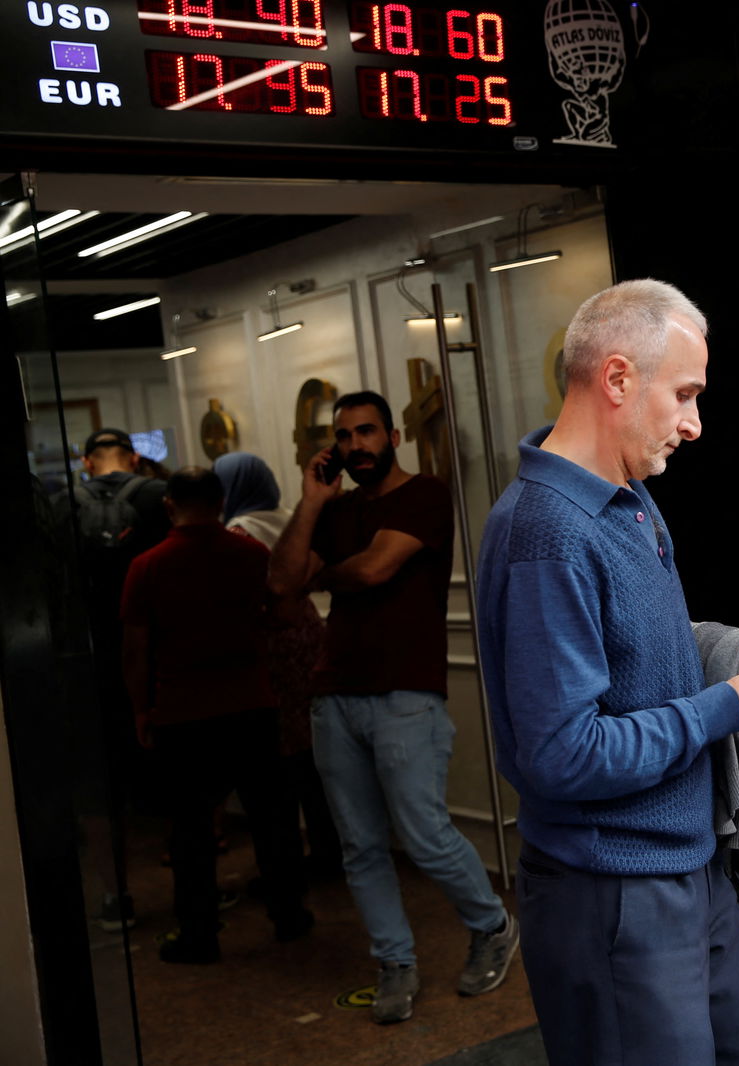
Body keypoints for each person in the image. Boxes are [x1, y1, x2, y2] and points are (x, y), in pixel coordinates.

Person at [476, 279, 739, 1065]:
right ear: (619, 379)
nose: (695, 424)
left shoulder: (627, 496)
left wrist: (733, 653)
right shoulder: (545, 534)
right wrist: (729, 707)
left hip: (687, 874)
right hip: (610, 898)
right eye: (686, 395)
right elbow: (562, 755)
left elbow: (639, 642)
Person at [267, 390, 517, 1025]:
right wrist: (312, 501)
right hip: (333, 696)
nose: (356, 446)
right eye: (345, 436)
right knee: (360, 846)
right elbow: (279, 584)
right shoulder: (335, 508)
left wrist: (319, 578)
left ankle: (492, 925)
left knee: (425, 834)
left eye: (367, 432)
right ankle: (395, 963)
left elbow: (376, 570)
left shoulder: (426, 495)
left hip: (406, 693)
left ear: (392, 436)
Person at [120, 467, 313, 963]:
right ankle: (289, 916)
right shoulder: (248, 554)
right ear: (221, 501)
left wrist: (142, 708)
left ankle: (199, 935)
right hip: (251, 703)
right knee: (273, 821)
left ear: (169, 506)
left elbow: (136, 649)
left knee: (191, 832)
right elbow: (280, 613)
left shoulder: (147, 566)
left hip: (183, 712)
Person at [56, 428, 170, 933]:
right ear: (134, 457)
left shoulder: (63, 505)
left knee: (97, 791)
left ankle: (113, 896)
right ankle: (190, 893)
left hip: (84, 662)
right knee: (172, 779)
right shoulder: (153, 495)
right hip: (152, 657)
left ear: (86, 462)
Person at [215, 452, 342, 882]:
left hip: (272, 649)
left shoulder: (237, 531)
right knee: (314, 756)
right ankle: (329, 850)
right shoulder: (289, 517)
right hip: (309, 636)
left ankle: (290, 862)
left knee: (283, 763)